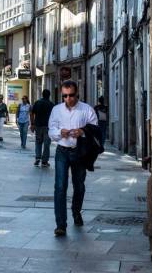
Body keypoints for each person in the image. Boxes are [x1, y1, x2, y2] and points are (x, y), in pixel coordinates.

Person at [48, 80, 98, 237]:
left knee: (79, 185)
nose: (68, 99)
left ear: (77, 94)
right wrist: (59, 132)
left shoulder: (86, 109)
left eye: (71, 95)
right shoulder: (56, 110)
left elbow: (95, 129)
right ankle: (60, 225)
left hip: (79, 152)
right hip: (62, 151)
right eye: (65, 96)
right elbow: (51, 129)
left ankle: (76, 211)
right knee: (60, 187)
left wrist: (82, 131)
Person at [30, 89, 54, 167]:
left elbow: (32, 113)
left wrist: (32, 124)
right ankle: (44, 161)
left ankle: (37, 157)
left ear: (42, 94)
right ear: (49, 95)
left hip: (38, 126)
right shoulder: (51, 104)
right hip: (47, 127)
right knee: (47, 144)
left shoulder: (37, 103)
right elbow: (54, 117)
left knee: (38, 142)